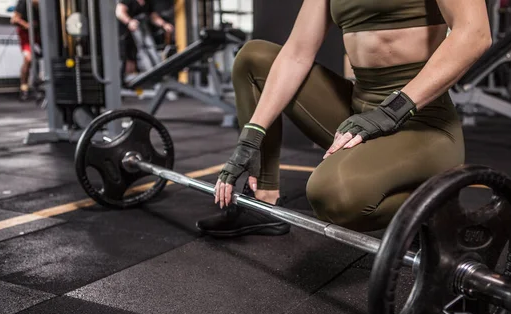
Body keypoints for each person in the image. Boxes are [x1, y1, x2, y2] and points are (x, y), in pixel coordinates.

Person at [197, 0, 492, 237]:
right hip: (357, 117)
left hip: (422, 123)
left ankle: (439, 204)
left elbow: (474, 34)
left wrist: (391, 111)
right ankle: (263, 202)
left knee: (333, 195)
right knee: (253, 58)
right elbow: (297, 52)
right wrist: (252, 134)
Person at [115, 0, 174, 78]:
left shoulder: (147, 2)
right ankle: (134, 77)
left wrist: (164, 24)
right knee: (133, 54)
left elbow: (153, 16)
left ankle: (157, 71)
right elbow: (119, 12)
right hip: (127, 35)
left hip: (142, 29)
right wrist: (129, 22)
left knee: (150, 47)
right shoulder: (128, 1)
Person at [10, 0, 40, 101]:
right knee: (28, 59)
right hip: (26, 34)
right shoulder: (23, 2)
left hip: (39, 33)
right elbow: (14, 19)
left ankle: (39, 85)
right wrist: (27, 25)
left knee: (44, 56)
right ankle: (24, 88)